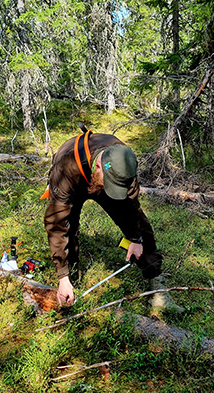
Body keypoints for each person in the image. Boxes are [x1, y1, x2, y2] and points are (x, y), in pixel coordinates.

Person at [43, 129, 183, 313]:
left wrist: (135, 239)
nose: (110, 190)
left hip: (99, 174)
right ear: (100, 165)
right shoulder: (66, 168)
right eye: (109, 183)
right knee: (69, 226)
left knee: (141, 224)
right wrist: (62, 276)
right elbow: (57, 223)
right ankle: (69, 281)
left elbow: (131, 208)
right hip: (75, 176)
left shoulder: (125, 165)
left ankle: (158, 293)